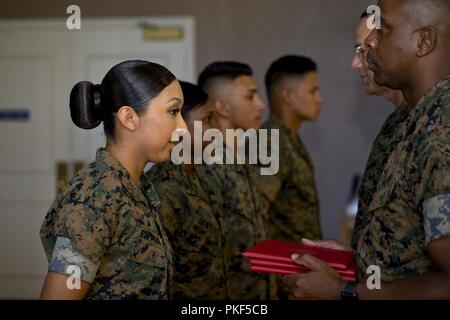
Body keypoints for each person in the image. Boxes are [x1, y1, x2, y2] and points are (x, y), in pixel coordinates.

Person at [283, 0, 450, 299]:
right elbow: (413, 249)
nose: (371, 42)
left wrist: (343, 291)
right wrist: (359, 257)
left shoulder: (442, 124)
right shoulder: (420, 117)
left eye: (383, 30)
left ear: (424, 41)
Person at [39, 60, 186, 299]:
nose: (183, 128)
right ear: (129, 117)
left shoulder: (138, 187)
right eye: (173, 111)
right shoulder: (93, 197)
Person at [146, 81, 230, 299]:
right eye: (207, 120)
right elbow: (153, 273)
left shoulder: (198, 175)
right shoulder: (164, 187)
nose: (218, 129)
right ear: (179, 124)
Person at [198, 61, 274, 299]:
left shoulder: (242, 156)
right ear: (222, 107)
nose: (261, 105)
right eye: (250, 97)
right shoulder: (206, 164)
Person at [259, 55, 323, 243]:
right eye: (312, 91)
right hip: (281, 266)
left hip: (298, 260)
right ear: (287, 96)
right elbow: (257, 212)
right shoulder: (270, 142)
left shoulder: (287, 137)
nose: (319, 98)